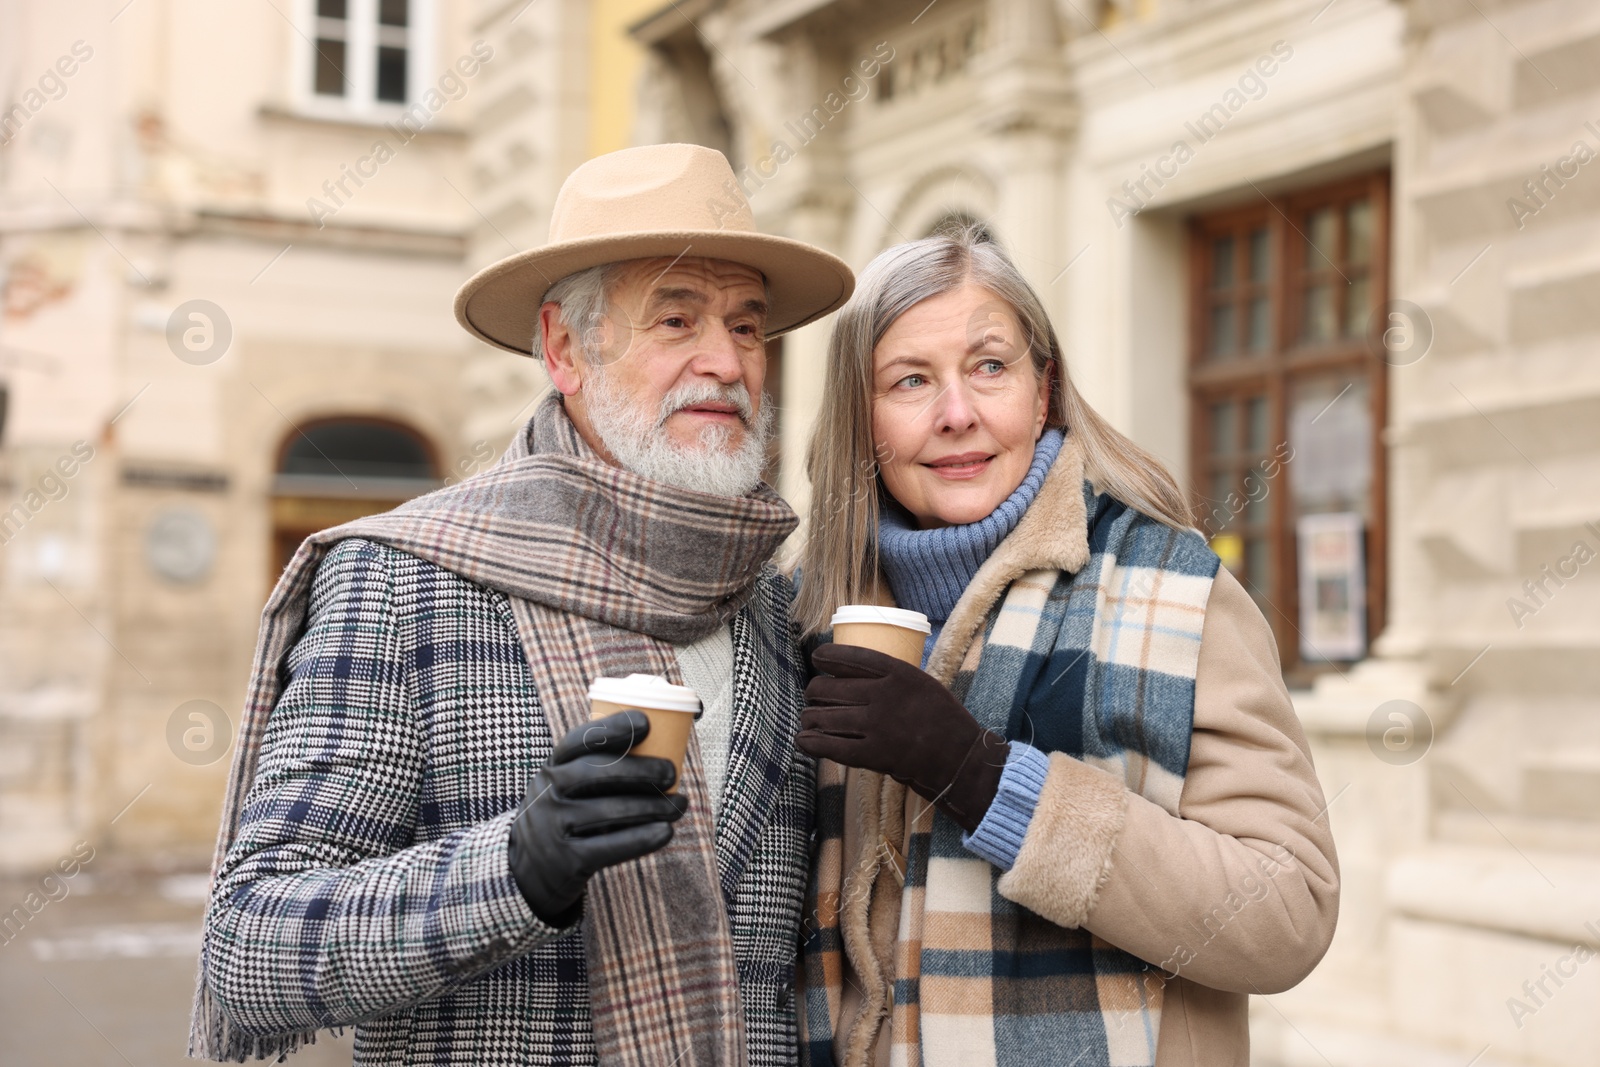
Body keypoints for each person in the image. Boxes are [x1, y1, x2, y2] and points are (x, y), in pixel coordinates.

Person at [190, 143, 853, 1066]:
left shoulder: (778, 610)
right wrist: (513, 867)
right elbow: (249, 948)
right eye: (676, 318)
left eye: (746, 326)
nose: (727, 360)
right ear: (564, 348)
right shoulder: (404, 579)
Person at [790, 228, 1339, 1067]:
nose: (957, 412)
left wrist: (981, 777)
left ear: (1042, 391)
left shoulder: (1175, 589)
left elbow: (1288, 914)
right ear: (862, 420)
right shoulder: (811, 618)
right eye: (910, 380)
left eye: (990, 366)